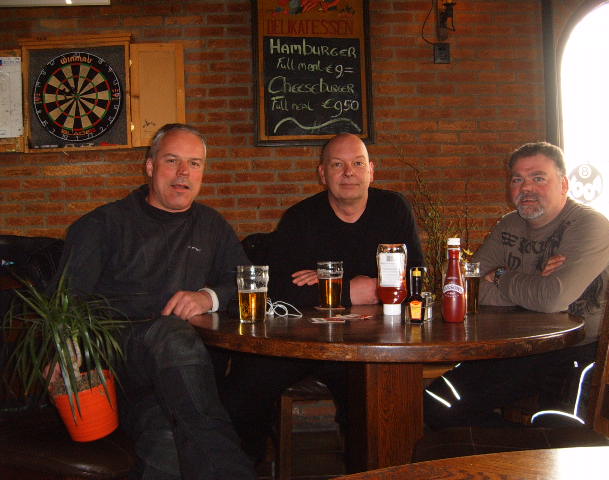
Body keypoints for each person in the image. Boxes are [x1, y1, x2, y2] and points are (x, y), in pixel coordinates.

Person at [53, 124, 256, 480]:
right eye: (172, 161)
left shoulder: (211, 226)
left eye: (194, 163)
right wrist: (62, 352)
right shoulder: (102, 224)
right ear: (150, 166)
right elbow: (65, 302)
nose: (183, 173)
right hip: (122, 370)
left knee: (165, 442)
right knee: (171, 334)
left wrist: (207, 297)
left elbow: (247, 283)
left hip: (185, 380)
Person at [220, 132, 425, 461]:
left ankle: (370, 471)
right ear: (322, 173)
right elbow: (281, 290)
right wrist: (351, 289)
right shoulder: (300, 217)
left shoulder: (393, 209)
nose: (349, 172)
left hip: (368, 345)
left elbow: (415, 277)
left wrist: (331, 283)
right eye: (337, 164)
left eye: (358, 163)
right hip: (301, 342)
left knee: (372, 408)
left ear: (371, 170)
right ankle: (247, 468)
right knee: (240, 395)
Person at [423, 141, 609, 429]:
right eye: (517, 179)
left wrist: (500, 276)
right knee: (436, 404)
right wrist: (536, 284)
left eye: (538, 178)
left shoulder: (589, 225)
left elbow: (552, 299)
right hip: (527, 349)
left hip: (592, 350)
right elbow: (464, 287)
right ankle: (517, 452)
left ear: (564, 184)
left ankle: (533, 451)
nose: (526, 188)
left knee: (561, 430)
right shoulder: (509, 225)